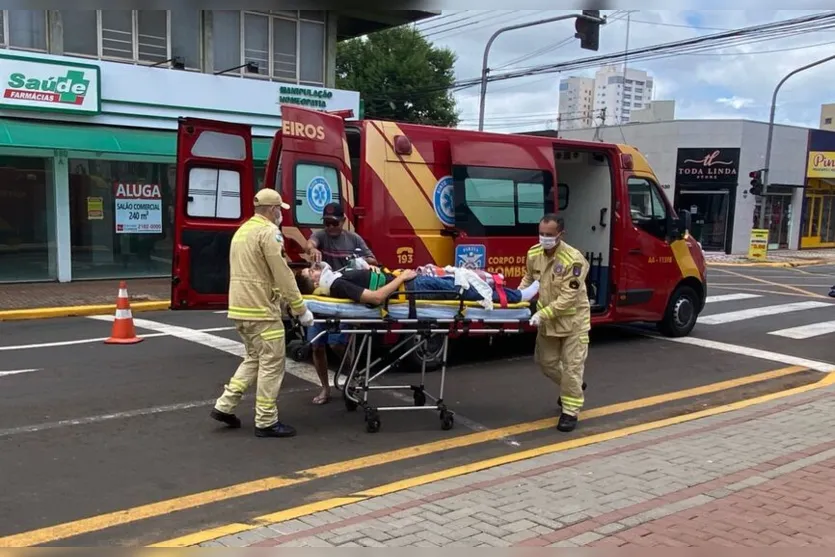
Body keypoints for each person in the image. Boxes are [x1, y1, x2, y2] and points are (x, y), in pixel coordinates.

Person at [211, 188, 314, 439]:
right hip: (261, 311)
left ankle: (225, 405)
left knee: (254, 358)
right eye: (280, 210)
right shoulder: (269, 233)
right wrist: (300, 308)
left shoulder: (242, 231)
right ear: (273, 209)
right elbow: (282, 273)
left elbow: (258, 271)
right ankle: (266, 421)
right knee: (272, 364)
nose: (281, 215)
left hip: (239, 308)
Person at [303, 202, 378, 405]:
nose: (330, 227)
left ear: (343, 221)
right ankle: (325, 388)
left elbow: (373, 261)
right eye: (326, 223)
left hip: (344, 299)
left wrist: (359, 261)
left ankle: (353, 373)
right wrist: (312, 250)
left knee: (337, 343)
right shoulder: (321, 236)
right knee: (317, 346)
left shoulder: (353, 239)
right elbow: (310, 243)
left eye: (334, 223)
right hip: (322, 301)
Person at [523, 214, 590, 433]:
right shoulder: (533, 254)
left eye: (549, 234)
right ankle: (574, 386)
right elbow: (529, 278)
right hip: (549, 321)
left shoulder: (574, 260)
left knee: (572, 368)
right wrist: (518, 298)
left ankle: (570, 412)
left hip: (573, 322)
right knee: (546, 363)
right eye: (541, 233)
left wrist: (541, 314)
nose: (544, 238)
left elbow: (568, 298)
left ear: (561, 234)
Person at [295, 263, 540, 306]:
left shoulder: (336, 280)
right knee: (465, 289)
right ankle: (518, 297)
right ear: (315, 282)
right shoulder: (337, 285)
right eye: (311, 271)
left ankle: (516, 294)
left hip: (409, 283)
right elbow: (376, 298)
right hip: (411, 288)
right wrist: (401, 278)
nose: (315, 268)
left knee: (462, 277)